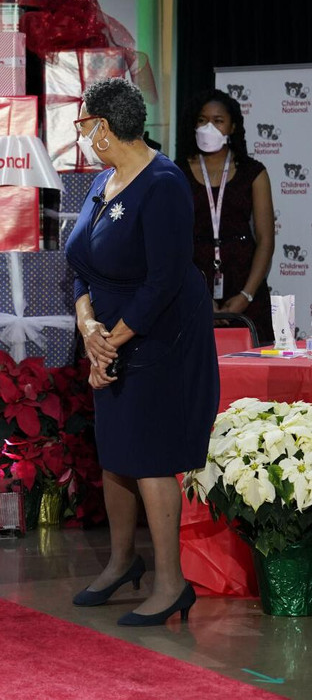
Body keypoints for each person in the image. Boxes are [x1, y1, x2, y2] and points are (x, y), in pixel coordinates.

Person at [65, 78, 220, 626]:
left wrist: (111, 340)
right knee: (117, 454)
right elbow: (80, 264)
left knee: (151, 458)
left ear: (103, 128)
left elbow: (164, 281)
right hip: (109, 337)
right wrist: (89, 328)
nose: (80, 133)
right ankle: (121, 563)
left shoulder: (164, 184)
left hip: (161, 337)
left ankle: (171, 583)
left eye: (82, 124)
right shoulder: (105, 180)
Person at [175, 88, 276, 344]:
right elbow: (172, 241)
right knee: (194, 367)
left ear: (232, 127)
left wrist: (247, 295)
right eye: (202, 120)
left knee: (252, 367)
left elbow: (265, 239)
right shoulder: (177, 172)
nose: (209, 127)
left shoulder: (253, 172)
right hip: (193, 279)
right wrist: (196, 293)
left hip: (245, 280)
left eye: (218, 120)